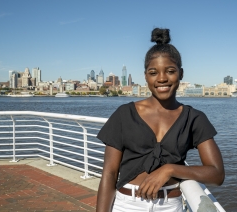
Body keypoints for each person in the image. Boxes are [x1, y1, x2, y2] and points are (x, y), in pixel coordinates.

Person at [96, 28, 225, 212]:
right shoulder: (124, 114)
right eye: (153, 72)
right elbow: (109, 174)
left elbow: (217, 174)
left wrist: (170, 169)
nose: (162, 78)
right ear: (146, 76)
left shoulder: (194, 118)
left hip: (170, 206)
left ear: (181, 74)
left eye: (170, 71)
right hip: (127, 205)